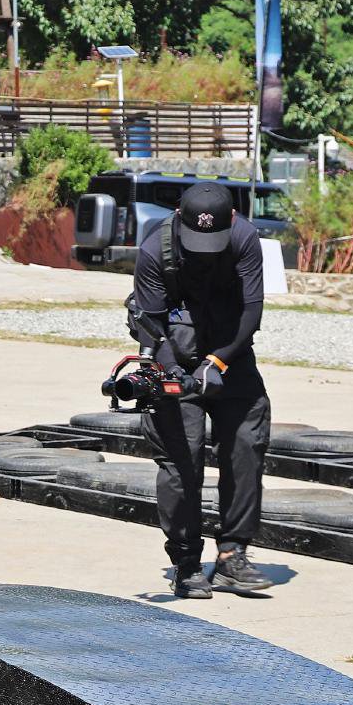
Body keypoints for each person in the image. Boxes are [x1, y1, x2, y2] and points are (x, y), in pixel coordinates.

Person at [130, 181, 273, 599]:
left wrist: (221, 360)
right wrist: (175, 371)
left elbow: (252, 309)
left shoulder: (245, 239)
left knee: (248, 443)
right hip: (172, 351)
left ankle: (232, 557)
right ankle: (187, 563)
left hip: (230, 353)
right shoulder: (155, 249)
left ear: (231, 220)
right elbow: (149, 324)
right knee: (181, 462)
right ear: (178, 216)